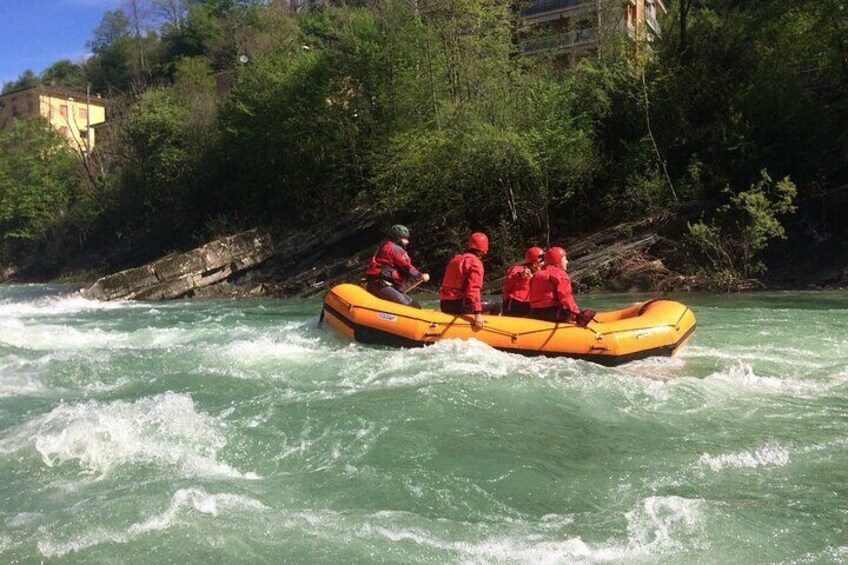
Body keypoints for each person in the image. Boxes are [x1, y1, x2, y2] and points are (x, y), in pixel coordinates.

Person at [439, 232, 499, 329]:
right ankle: (490, 328)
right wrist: (477, 313)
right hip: (459, 305)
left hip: (444, 304)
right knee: (496, 304)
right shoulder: (476, 263)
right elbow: (473, 289)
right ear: (484, 249)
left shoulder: (455, 259)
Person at [528, 246, 595, 327]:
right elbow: (565, 297)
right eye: (565, 259)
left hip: (535, 313)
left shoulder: (536, 274)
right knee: (587, 313)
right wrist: (577, 312)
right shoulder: (560, 274)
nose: (567, 262)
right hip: (554, 314)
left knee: (574, 310)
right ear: (558, 261)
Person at [364, 224, 429, 306]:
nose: (407, 242)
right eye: (405, 238)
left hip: (381, 283)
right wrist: (420, 276)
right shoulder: (394, 248)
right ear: (398, 238)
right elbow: (406, 266)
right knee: (407, 304)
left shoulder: (385, 246)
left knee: (414, 304)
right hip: (380, 284)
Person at [502, 246, 544, 317]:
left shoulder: (541, 272)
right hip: (516, 304)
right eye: (541, 260)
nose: (543, 262)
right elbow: (506, 284)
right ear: (534, 261)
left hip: (531, 305)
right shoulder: (518, 269)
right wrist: (519, 275)